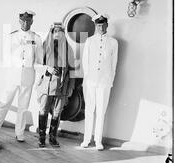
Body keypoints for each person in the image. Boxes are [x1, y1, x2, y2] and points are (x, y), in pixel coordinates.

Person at [0, 10, 43, 142]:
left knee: (23, 107)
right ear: (19, 21)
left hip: (28, 75)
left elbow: (39, 60)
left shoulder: (36, 38)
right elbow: (5, 56)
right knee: (4, 103)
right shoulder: (12, 37)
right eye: (23, 21)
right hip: (13, 75)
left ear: (32, 21)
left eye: (28, 20)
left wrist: (39, 76)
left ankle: (19, 133)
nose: (25, 23)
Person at [80, 14, 118, 151]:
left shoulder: (113, 42)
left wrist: (110, 81)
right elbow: (85, 61)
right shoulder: (90, 41)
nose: (100, 28)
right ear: (95, 26)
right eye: (98, 25)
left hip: (104, 82)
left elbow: (114, 64)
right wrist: (86, 79)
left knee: (101, 111)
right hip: (90, 81)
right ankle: (86, 139)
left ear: (107, 25)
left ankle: (98, 140)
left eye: (102, 25)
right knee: (89, 110)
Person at [36, 23, 75, 148]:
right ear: (52, 33)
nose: (57, 34)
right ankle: (42, 137)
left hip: (62, 86)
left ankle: (53, 137)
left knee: (57, 112)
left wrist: (70, 88)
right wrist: (47, 68)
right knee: (44, 110)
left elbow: (73, 71)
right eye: (55, 31)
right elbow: (36, 65)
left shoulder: (69, 49)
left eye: (60, 31)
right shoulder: (45, 46)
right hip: (47, 84)